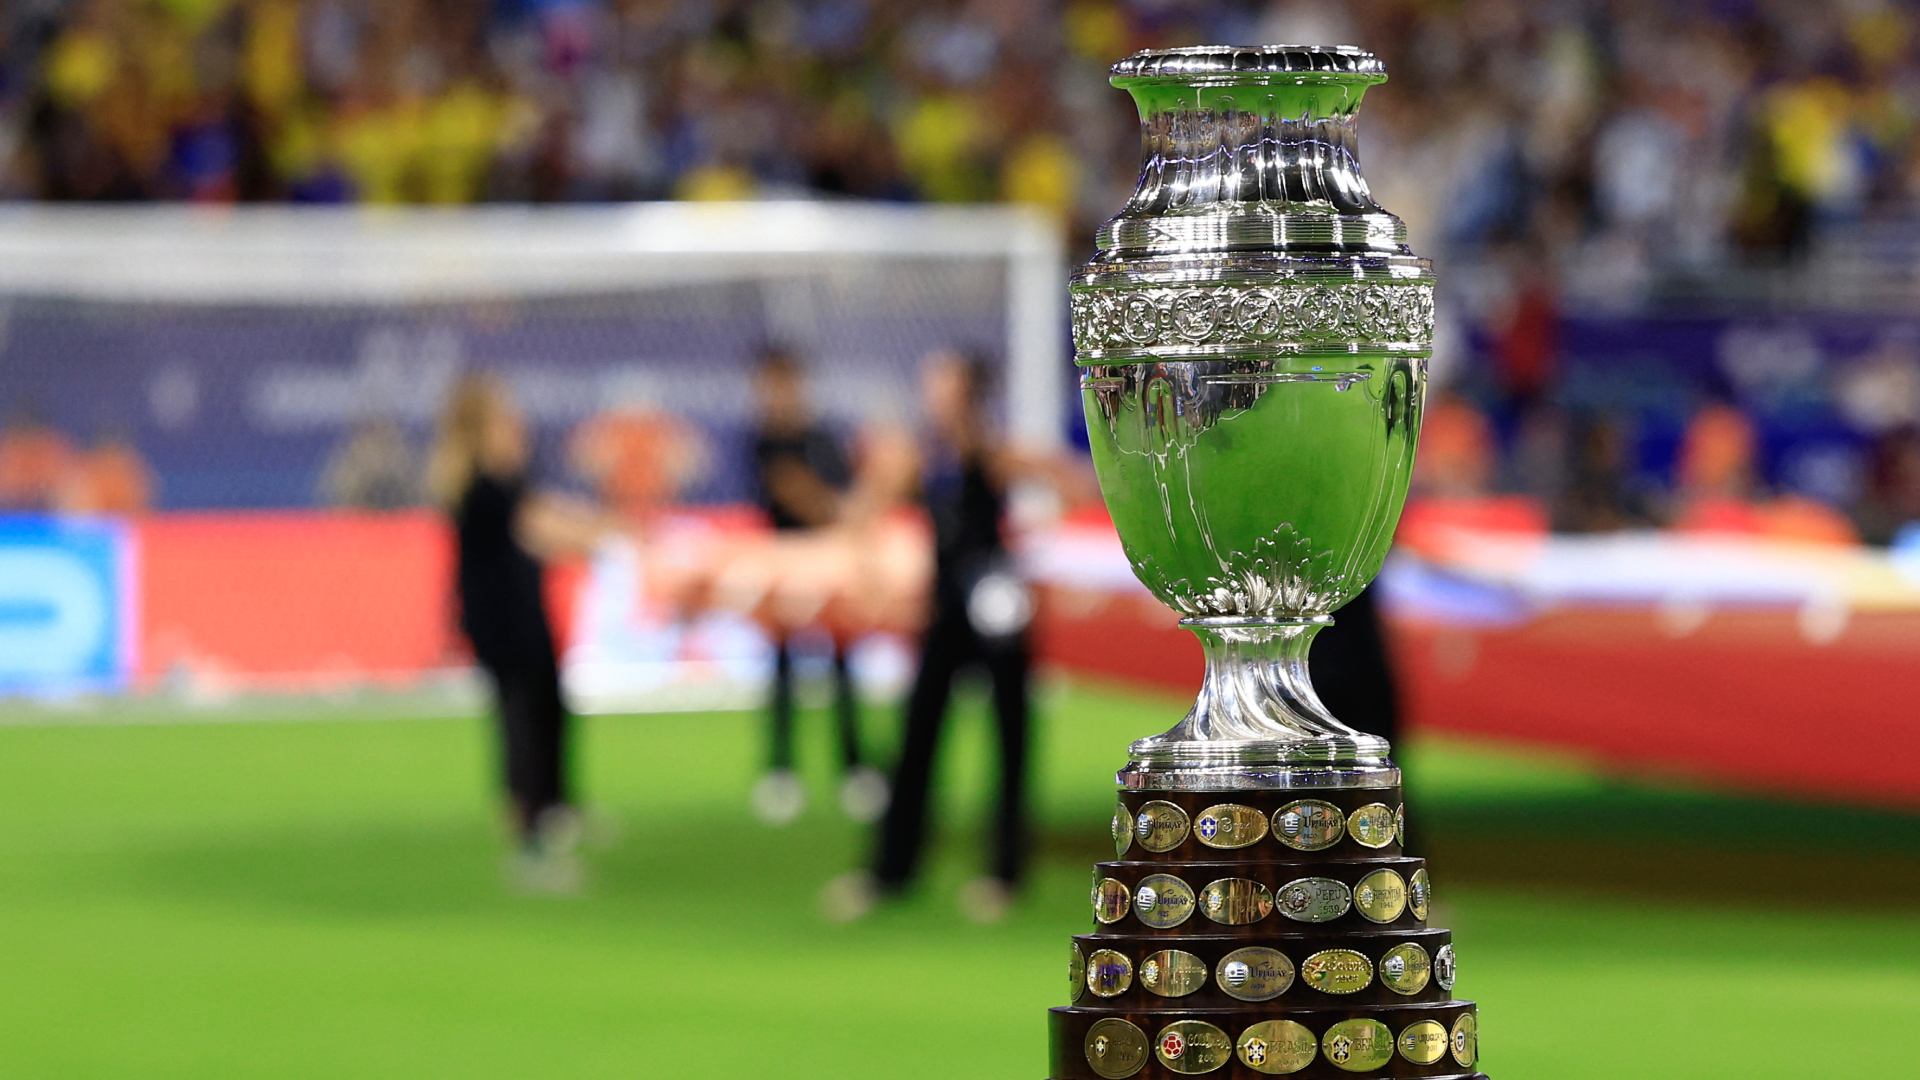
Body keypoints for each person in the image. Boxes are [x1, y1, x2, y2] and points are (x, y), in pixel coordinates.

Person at [825, 350, 1082, 924]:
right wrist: (874, 577)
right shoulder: (920, 457)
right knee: (917, 738)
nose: (930, 391)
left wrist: (1035, 545)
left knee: (1010, 741)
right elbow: (861, 512)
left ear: (967, 392)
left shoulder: (994, 453)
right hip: (944, 614)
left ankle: (1004, 873)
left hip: (998, 615)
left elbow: (1073, 484)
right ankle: (891, 869)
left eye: (941, 382)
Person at [428, 373, 604, 891]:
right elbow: (541, 527)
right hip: (499, 618)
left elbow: (548, 517)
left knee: (549, 707)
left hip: (527, 611)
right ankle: (527, 842)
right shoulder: (479, 485)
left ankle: (553, 809)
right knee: (518, 724)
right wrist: (607, 536)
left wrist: (600, 529)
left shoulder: (510, 477)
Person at [746, 350, 887, 826]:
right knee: (782, 666)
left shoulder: (820, 437)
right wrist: (836, 513)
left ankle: (853, 766)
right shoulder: (762, 441)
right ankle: (781, 769)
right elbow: (791, 491)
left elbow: (839, 493)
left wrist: (840, 515)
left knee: (841, 662)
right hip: (784, 563)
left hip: (829, 563)